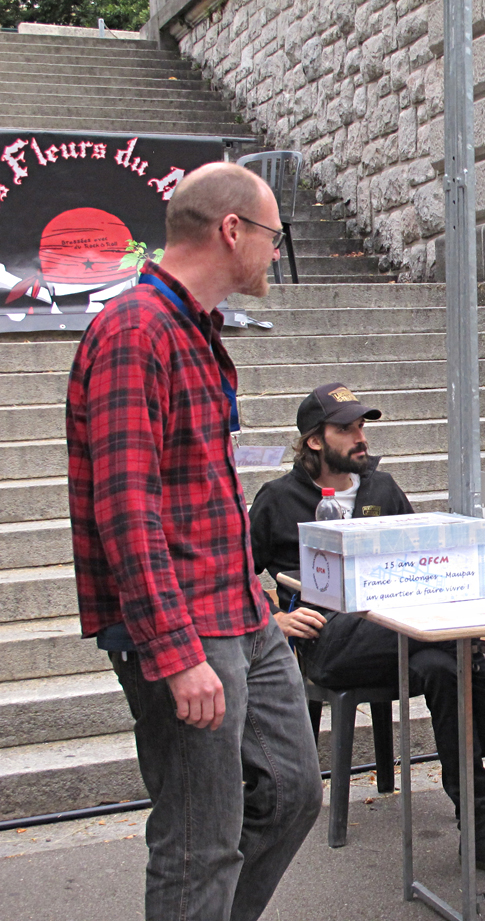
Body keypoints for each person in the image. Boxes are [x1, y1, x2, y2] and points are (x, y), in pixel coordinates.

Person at [66, 162, 321, 921]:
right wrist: (176, 654)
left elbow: (201, 493)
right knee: (198, 842)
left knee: (293, 791)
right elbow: (126, 511)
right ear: (232, 230)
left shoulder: (194, 331)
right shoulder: (136, 332)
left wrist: (259, 605)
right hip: (185, 626)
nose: (276, 252)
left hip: (239, 611)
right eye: (273, 235)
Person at [247, 383, 485, 879]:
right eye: (346, 429)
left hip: (404, 632)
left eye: (362, 427)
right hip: (329, 642)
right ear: (315, 440)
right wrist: (271, 620)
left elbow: (421, 559)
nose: (360, 437)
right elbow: (232, 573)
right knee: (451, 639)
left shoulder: (382, 489)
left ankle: (480, 834)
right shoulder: (277, 498)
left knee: (444, 666)